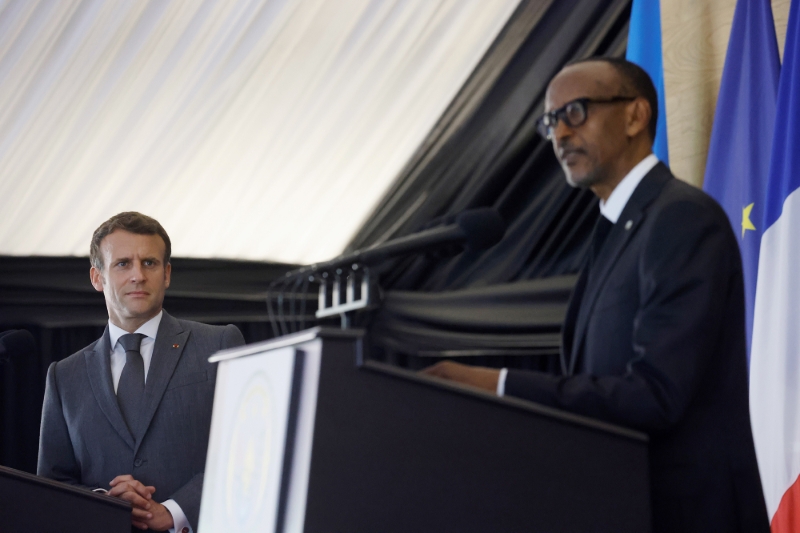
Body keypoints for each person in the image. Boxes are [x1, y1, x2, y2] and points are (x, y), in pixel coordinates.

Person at [422, 58, 770, 532]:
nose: (560, 134)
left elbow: (655, 395)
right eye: (550, 121)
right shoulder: (613, 231)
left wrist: (498, 385)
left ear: (635, 115)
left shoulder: (682, 219)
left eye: (576, 112)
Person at [38, 212, 245, 532]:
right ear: (97, 278)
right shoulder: (65, 376)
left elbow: (246, 451)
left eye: (149, 263)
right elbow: (51, 485)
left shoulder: (219, 343)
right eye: (123, 264)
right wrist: (105, 501)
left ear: (166, 274)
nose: (138, 275)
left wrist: (175, 511)